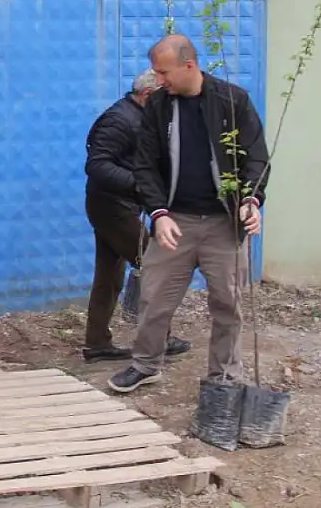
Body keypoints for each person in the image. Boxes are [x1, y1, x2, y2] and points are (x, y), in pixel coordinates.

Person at [107, 34, 269, 393]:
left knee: (228, 303)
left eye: (164, 73)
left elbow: (257, 157)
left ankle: (225, 376)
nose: (158, 80)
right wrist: (159, 213)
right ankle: (146, 364)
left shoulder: (232, 101)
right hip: (174, 220)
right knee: (153, 297)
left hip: (224, 224)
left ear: (189, 65)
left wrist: (251, 200)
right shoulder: (159, 106)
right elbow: (144, 165)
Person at [83, 69, 190, 362]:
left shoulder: (139, 116)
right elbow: (97, 165)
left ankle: (96, 344)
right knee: (156, 264)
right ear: (147, 95)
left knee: (108, 276)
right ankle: (159, 341)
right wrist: (139, 183)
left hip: (114, 206)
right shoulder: (118, 120)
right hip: (113, 208)